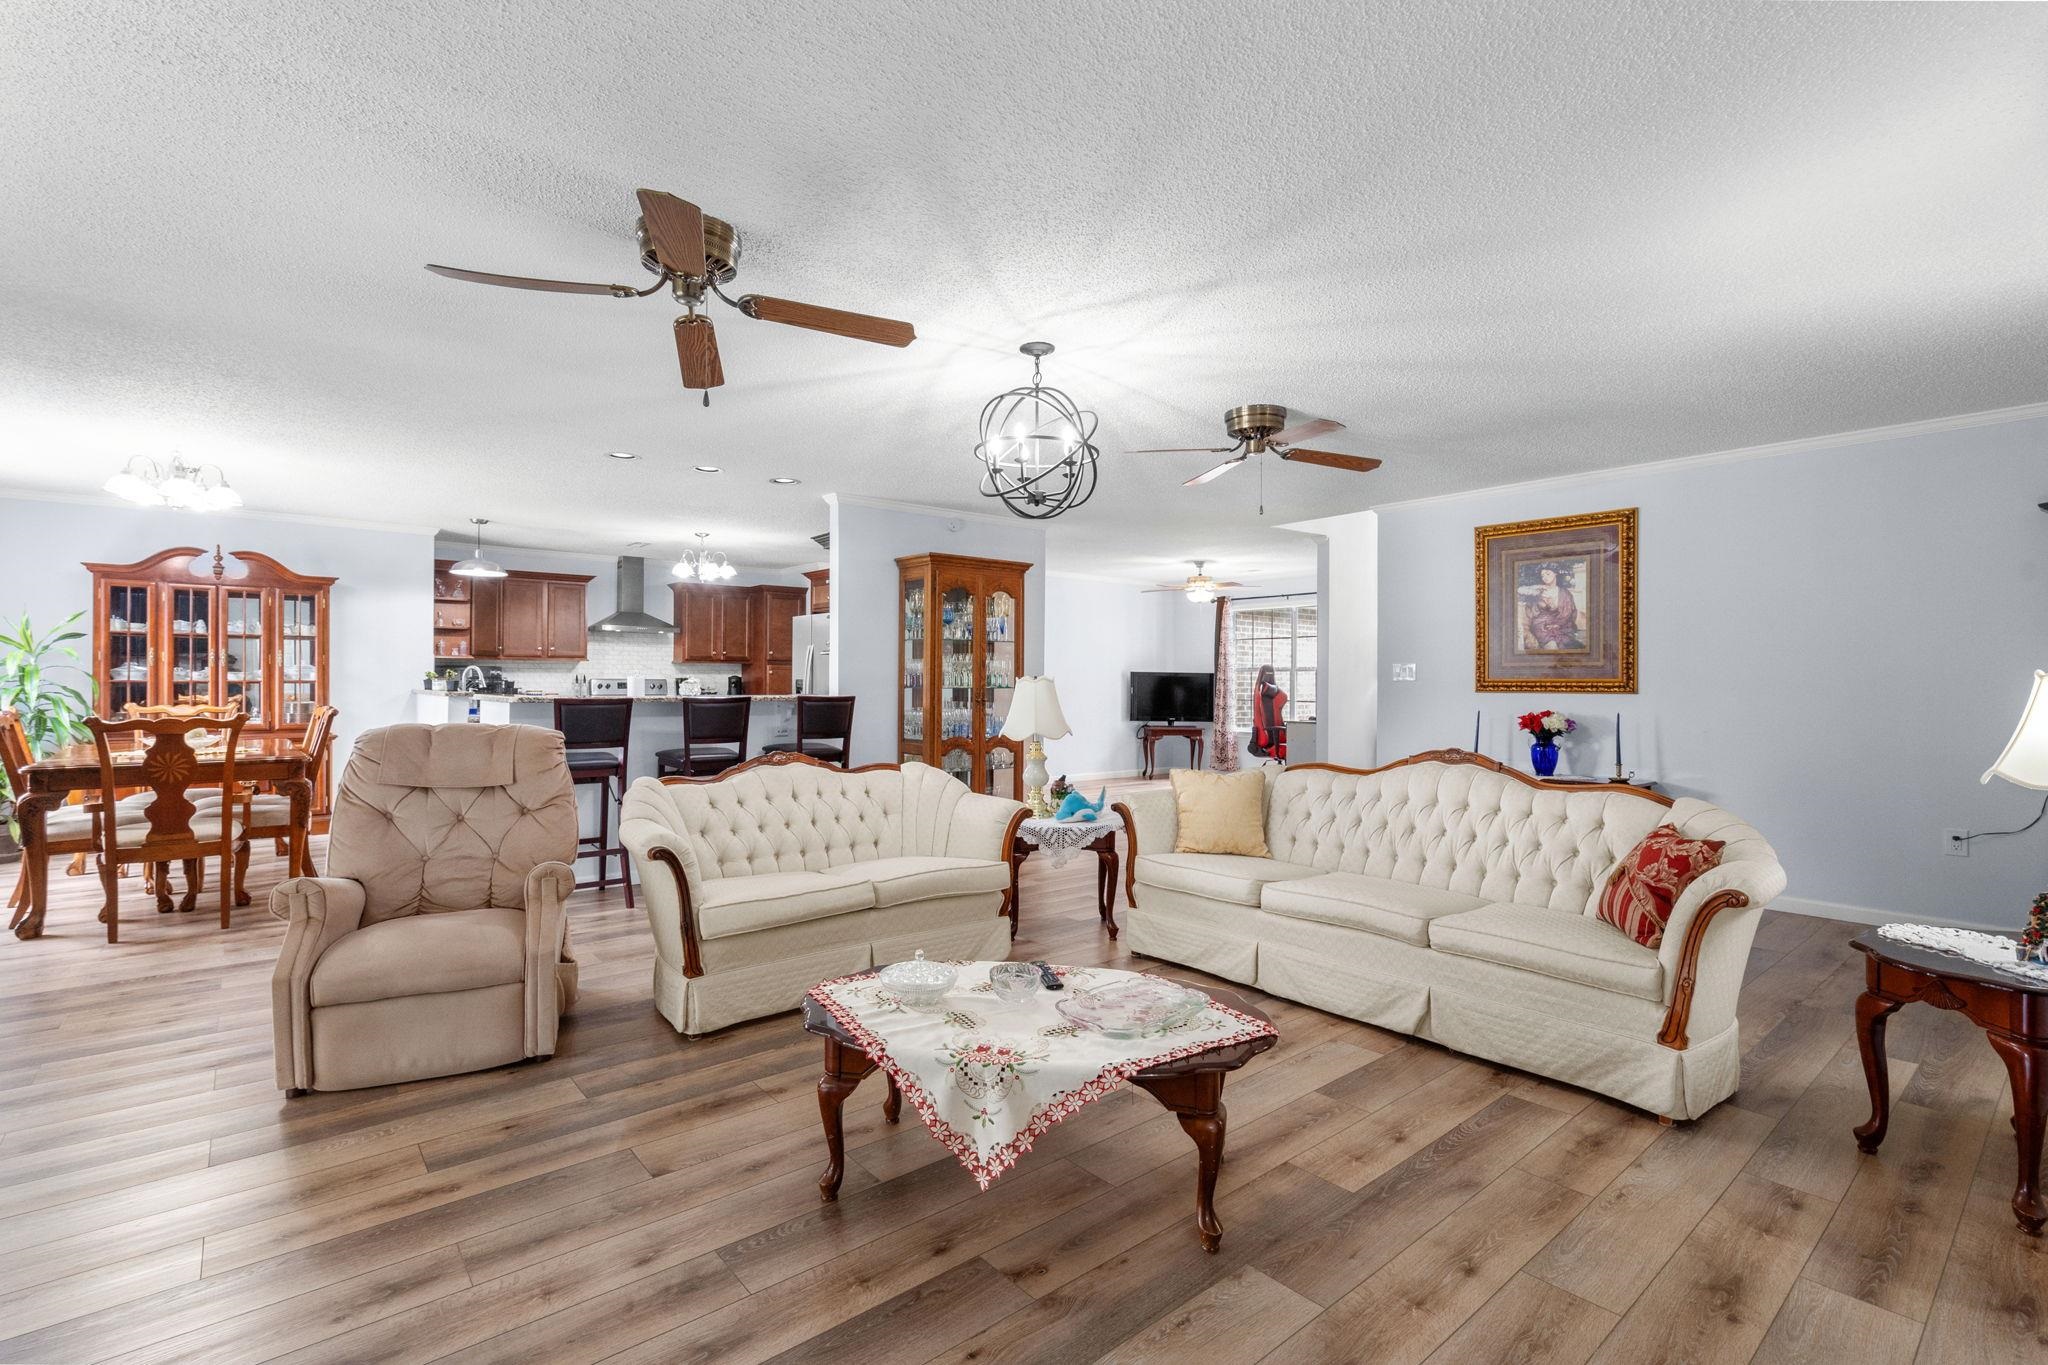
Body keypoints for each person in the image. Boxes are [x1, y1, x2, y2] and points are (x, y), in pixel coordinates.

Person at [1520, 564, 1581, 651]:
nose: (1545, 577)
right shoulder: (1537, 592)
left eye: (1548, 574)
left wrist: (1558, 624)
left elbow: (1571, 613)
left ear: (1555, 573)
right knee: (1552, 646)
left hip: (1561, 626)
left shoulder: (1565, 593)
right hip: (1542, 627)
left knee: (1572, 646)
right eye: (1542, 575)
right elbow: (1531, 614)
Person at [1249, 664, 1288, 762]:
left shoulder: (1273, 696)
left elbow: (1283, 696)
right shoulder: (1260, 696)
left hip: (1278, 738)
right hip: (1267, 740)